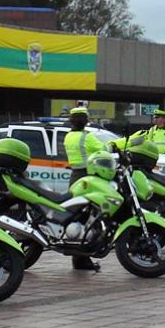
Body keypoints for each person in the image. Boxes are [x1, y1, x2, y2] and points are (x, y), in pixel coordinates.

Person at [63, 106, 105, 270]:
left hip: (74, 177)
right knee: (89, 218)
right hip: (88, 178)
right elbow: (104, 149)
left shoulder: (68, 136)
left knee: (77, 216)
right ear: (85, 121)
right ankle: (83, 259)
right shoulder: (86, 137)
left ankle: (78, 259)